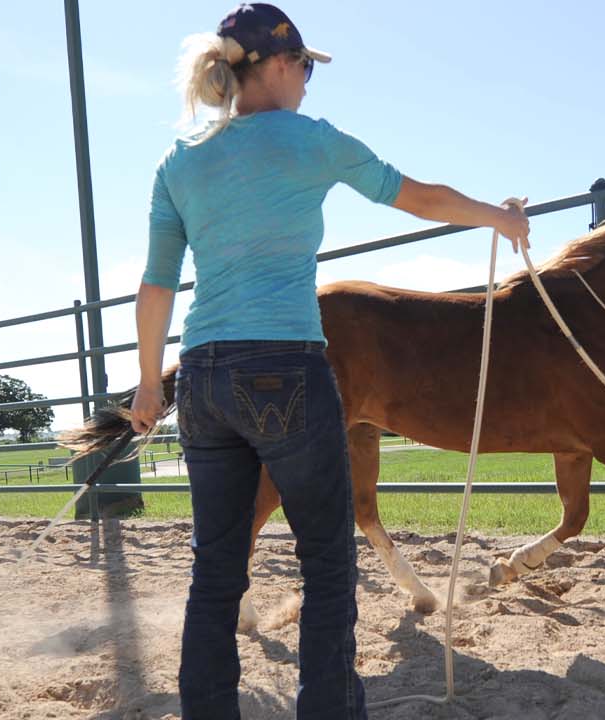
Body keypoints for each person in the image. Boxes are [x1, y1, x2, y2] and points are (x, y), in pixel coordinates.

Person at [132, 4, 529, 717]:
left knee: (215, 570)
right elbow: (422, 199)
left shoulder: (179, 161)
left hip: (201, 377)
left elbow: (157, 284)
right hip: (284, 365)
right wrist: (498, 218)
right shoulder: (312, 141)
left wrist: (144, 384)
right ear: (279, 65)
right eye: (307, 67)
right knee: (326, 561)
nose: (311, 82)